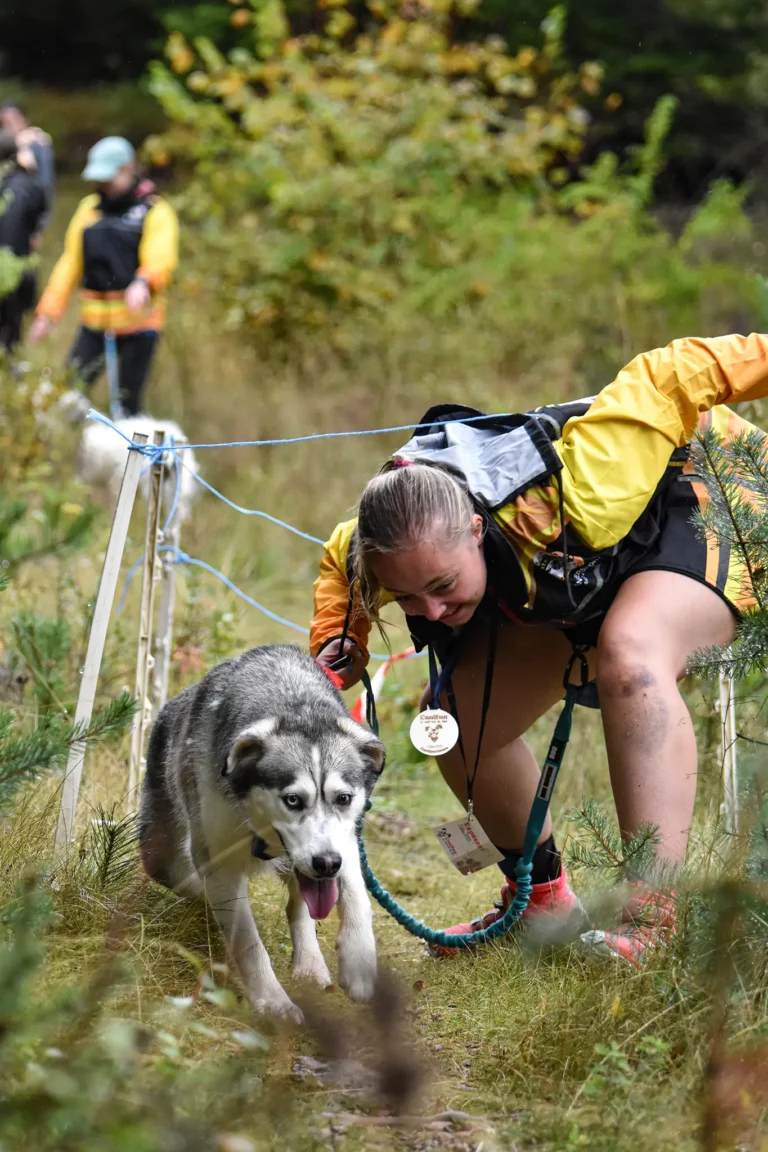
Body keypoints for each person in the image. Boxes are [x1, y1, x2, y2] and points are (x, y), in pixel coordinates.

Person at [311, 333, 768, 965]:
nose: (433, 613)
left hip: (707, 487)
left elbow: (677, 369)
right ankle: (541, 903)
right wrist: (343, 636)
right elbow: (339, 563)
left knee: (630, 653)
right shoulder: (382, 543)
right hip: (582, 564)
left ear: (477, 527)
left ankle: (655, 921)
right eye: (408, 600)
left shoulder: (585, 487)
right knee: (455, 723)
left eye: (443, 588)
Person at [29, 136, 179, 417]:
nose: (101, 185)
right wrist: (48, 313)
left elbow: (161, 258)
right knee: (69, 395)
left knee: (127, 404)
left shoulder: (155, 212)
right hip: (95, 326)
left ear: (127, 170)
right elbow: (70, 264)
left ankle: (132, 458)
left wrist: (143, 281)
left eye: (107, 179)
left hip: (139, 326)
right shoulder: (89, 210)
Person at [0, 131, 47, 352]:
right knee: (12, 335)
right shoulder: (30, 185)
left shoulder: (8, 185)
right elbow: (42, 208)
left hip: (9, 270)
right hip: (19, 269)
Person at [0, 100, 55, 235]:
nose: (9, 127)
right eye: (4, 123)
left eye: (13, 121)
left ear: (25, 121)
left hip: (24, 216)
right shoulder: (10, 143)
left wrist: (40, 227)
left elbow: (46, 185)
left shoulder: (37, 146)